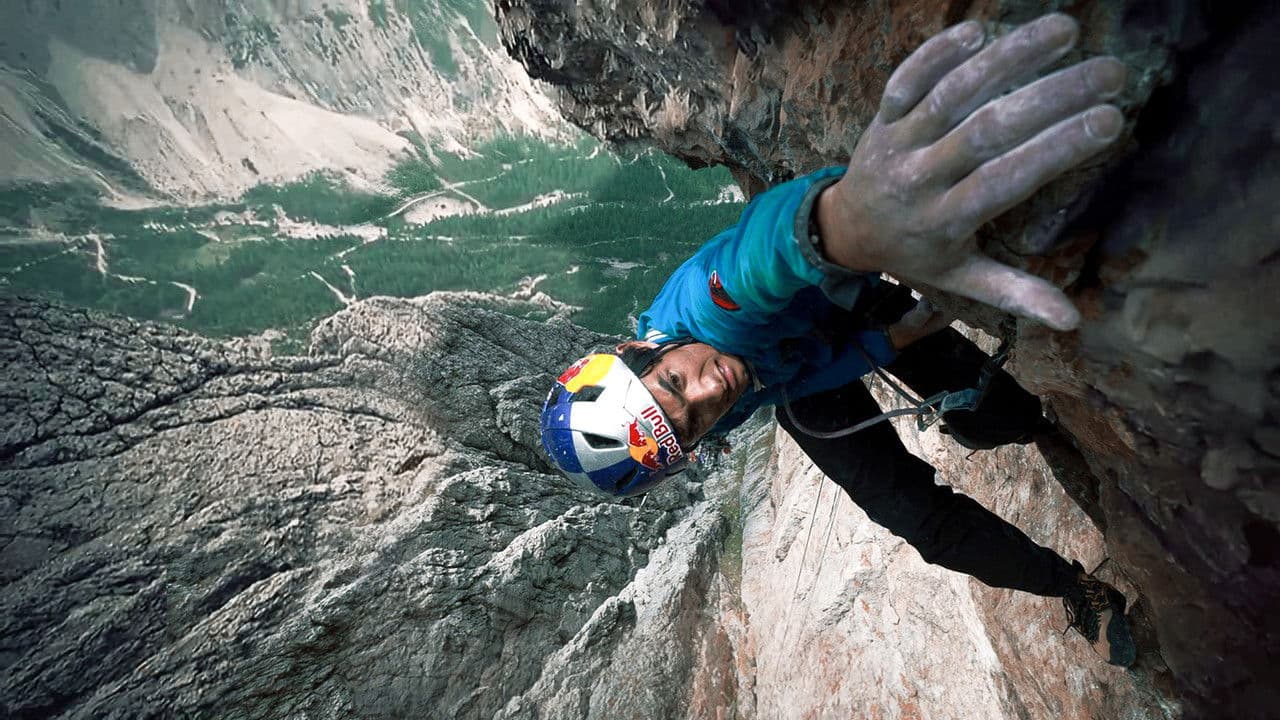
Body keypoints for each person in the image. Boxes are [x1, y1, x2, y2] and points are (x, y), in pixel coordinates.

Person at [539, 14, 1137, 667]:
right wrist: (886, 345)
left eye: (675, 383)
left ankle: (1036, 425)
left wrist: (846, 221)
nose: (713, 390)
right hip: (810, 358)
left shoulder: (706, 312)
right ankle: (1076, 587)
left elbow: (756, 260)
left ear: (637, 353)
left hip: (832, 285)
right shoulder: (706, 405)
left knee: (996, 416)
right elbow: (782, 383)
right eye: (692, 422)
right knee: (919, 520)